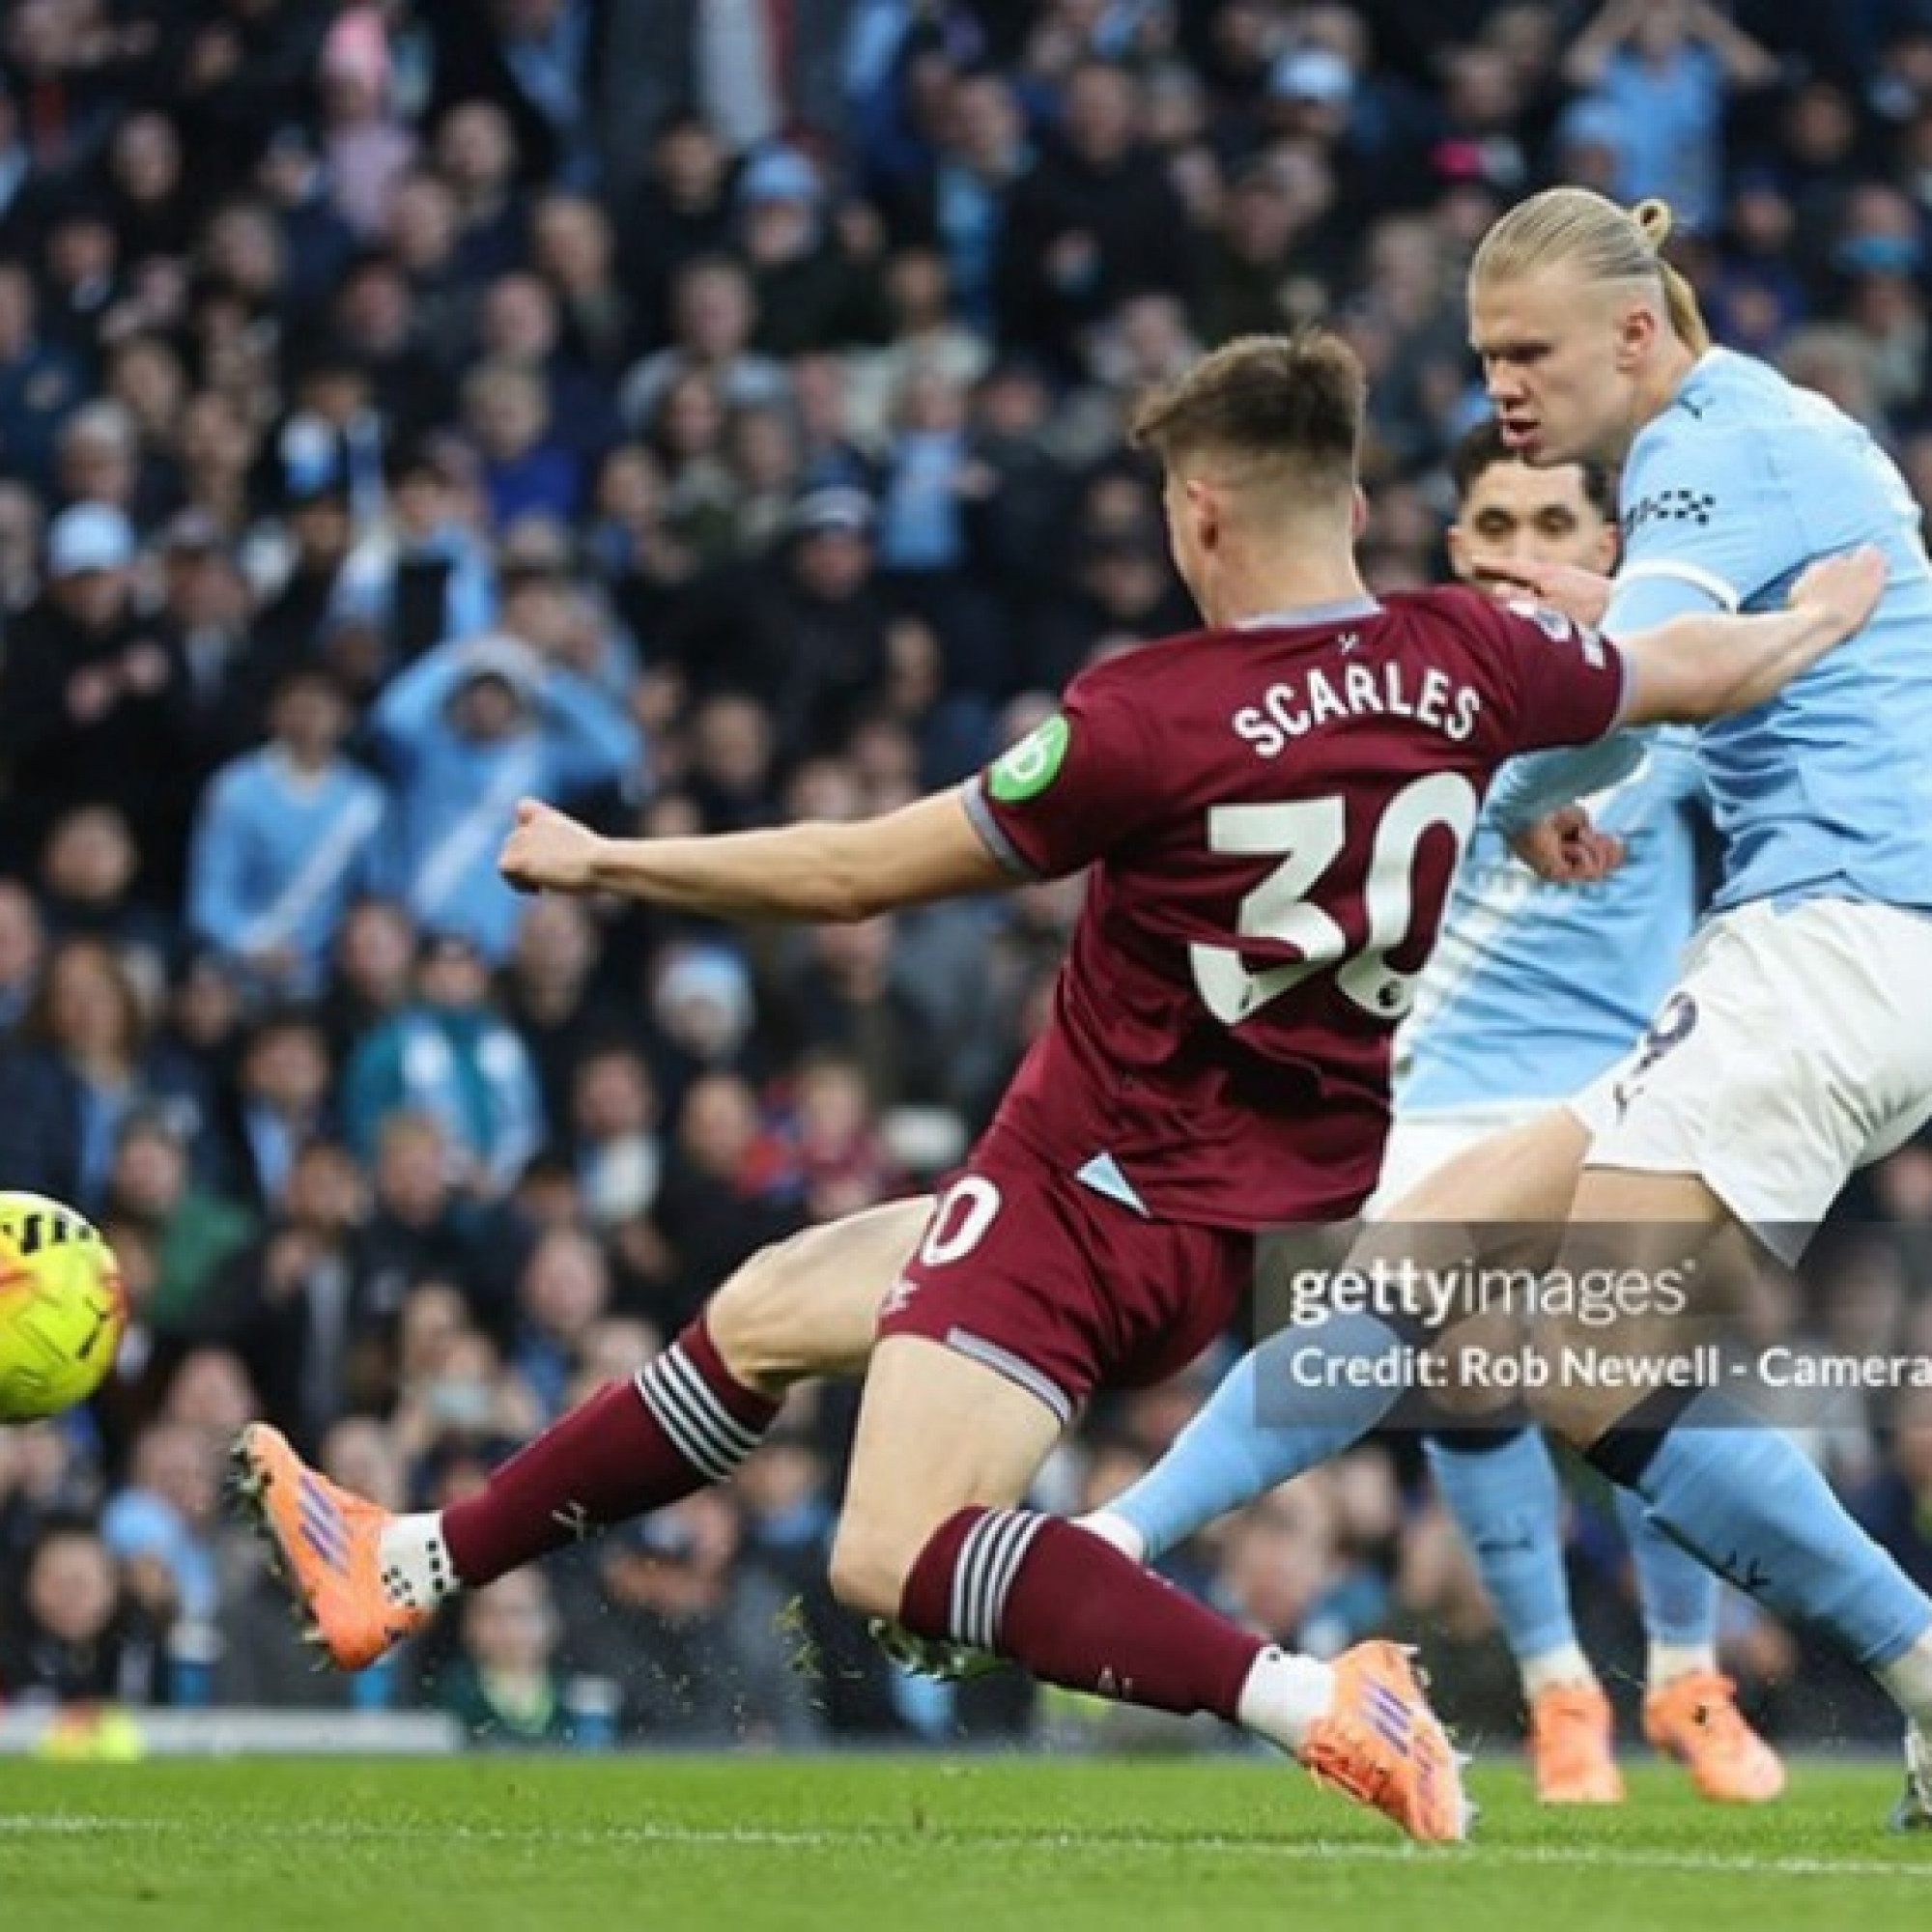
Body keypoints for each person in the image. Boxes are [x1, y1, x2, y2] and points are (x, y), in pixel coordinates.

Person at [232, 329, 1881, 1844]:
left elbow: (852, 874)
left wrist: (611, 861)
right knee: (773, 1305)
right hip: (1239, 1210)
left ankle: (1317, 1699)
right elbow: (1696, 670)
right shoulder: (1475, 656)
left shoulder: (1147, 717)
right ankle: (413, 1562)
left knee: (892, 1553)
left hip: (1090, 1189)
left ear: (1204, 512)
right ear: (1362, 502)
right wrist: (1824, 615)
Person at [1079, 187, 1932, 1831]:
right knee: (1417, 1266)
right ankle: (1106, 1550)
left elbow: (1635, 694)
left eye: (1528, 351)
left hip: (1835, 939)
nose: (1503, 391)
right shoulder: (1765, 430)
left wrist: (1445, 789)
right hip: (1844, 943)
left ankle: (1893, 1668)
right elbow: (1639, 679)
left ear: (1636, 330)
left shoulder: (1703, 450)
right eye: (1483, 358)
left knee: (1567, 1347)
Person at [1101, 419, 1777, 1805]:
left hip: (1626, 1082)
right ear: (1457, 547)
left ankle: (1687, 1673)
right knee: (1465, 1371)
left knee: (1639, 1362)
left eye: (1553, 528)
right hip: (1442, 1088)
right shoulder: (1414, 700)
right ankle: (1556, 1688)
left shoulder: (1680, 705)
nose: (1522, 555)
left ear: (1611, 549)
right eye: (1496, 529)